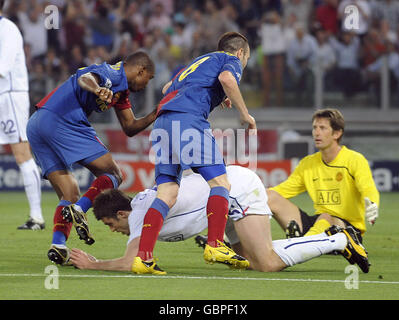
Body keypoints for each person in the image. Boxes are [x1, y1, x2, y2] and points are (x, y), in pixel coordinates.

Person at [69, 165, 370, 274]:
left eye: (111, 225)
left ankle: (339, 239)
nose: (114, 230)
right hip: (220, 200)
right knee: (251, 261)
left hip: (235, 189)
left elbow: (131, 262)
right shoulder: (146, 206)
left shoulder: (141, 214)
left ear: (122, 213)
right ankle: (333, 240)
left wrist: (92, 264)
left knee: (265, 262)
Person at [132, 31, 257, 275]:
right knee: (221, 182)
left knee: (167, 191)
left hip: (163, 123)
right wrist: (244, 114)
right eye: (245, 60)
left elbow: (168, 87)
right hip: (188, 121)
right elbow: (227, 80)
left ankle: (143, 258)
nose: (243, 64)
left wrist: (214, 95)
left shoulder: (197, 62)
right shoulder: (230, 60)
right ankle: (215, 244)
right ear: (240, 53)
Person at [26, 51, 157, 265]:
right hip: (62, 120)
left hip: (38, 123)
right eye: (148, 79)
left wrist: (157, 112)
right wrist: (98, 89)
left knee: (69, 192)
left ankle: (58, 246)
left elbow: (130, 127)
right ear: (141, 70)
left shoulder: (121, 93)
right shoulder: (112, 73)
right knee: (114, 173)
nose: (146, 85)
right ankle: (80, 210)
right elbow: (85, 78)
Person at [267, 108, 379, 243]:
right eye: (315, 128)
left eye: (322, 128)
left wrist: (372, 203)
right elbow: (282, 190)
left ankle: (301, 243)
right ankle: (256, 243)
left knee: (327, 217)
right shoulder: (308, 163)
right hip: (319, 224)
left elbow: (367, 187)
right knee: (270, 197)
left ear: (337, 133)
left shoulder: (354, 159)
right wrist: (251, 198)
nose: (317, 133)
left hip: (348, 229)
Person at [0, 0, 44, 230]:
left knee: (21, 153)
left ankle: (36, 216)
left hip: (9, 97)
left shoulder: (8, 29)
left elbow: (2, 68)